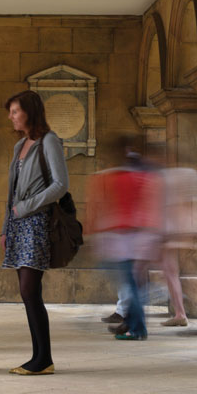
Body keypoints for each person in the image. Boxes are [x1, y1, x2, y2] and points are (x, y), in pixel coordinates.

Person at [0, 91, 68, 376]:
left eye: (15, 111)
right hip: (18, 224)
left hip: (37, 222)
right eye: (11, 112)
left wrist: (26, 207)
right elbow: (11, 192)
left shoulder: (48, 141)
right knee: (28, 292)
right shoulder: (20, 146)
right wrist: (6, 226)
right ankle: (41, 357)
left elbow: (60, 185)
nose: (11, 116)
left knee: (30, 289)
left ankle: (43, 358)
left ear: (30, 111)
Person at [86, 135, 163, 341]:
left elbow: (104, 207)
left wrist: (94, 230)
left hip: (122, 236)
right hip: (141, 233)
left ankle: (138, 327)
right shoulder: (143, 176)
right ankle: (133, 321)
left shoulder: (112, 177)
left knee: (129, 284)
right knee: (132, 282)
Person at [160, 166, 197, 327]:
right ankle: (180, 311)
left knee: (170, 270)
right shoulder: (188, 174)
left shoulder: (170, 175)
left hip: (174, 229)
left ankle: (181, 311)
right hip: (178, 228)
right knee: (170, 270)